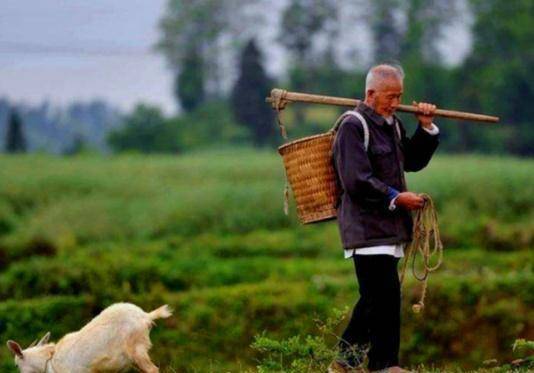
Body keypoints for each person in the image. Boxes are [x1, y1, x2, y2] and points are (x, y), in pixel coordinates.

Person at [329, 64, 440, 373]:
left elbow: (412, 161)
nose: (394, 103)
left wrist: (426, 127)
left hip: (389, 228)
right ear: (371, 94)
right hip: (365, 228)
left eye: (399, 96)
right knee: (384, 296)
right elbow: (356, 180)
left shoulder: (392, 124)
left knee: (374, 299)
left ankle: (344, 361)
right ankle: (384, 365)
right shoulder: (353, 126)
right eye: (390, 97)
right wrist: (396, 197)